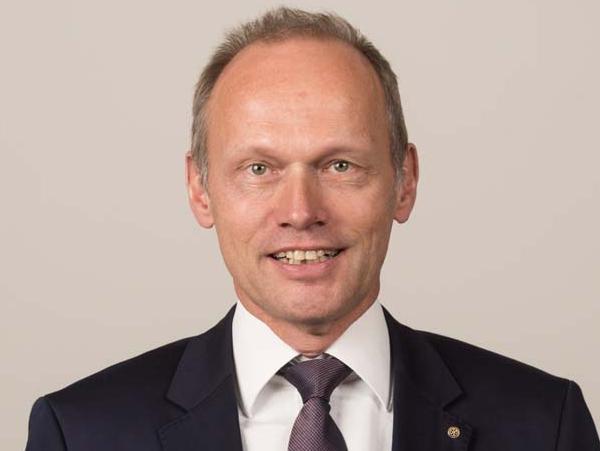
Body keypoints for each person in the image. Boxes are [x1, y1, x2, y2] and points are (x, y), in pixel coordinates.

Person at [25, 7, 599, 451]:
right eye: (259, 169)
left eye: (339, 165)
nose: (300, 211)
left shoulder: (544, 423)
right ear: (200, 189)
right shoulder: (82, 432)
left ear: (404, 181)